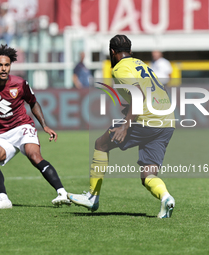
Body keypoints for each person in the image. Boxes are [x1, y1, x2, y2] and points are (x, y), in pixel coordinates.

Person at [68, 35, 176, 218]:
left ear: (112, 52)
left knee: (101, 144)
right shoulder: (140, 64)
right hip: (167, 121)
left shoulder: (120, 68)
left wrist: (125, 125)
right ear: (130, 50)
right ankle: (166, 198)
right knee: (147, 175)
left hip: (147, 120)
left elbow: (138, 95)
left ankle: (92, 197)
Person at [0, 44, 71, 210]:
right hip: (2, 135)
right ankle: (4, 200)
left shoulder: (20, 83)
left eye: (7, 65)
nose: (4, 69)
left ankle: (62, 193)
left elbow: (33, 103)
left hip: (23, 127)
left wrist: (44, 126)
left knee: (34, 155)